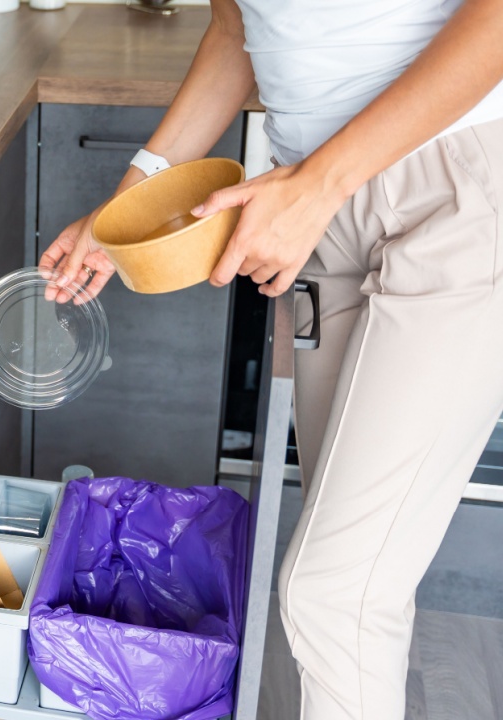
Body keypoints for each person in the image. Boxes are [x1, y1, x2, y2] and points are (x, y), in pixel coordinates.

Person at [39, 1, 503, 717]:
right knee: (357, 575)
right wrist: (123, 208)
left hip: (451, 186)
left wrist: (318, 183)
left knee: (335, 591)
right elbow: (237, 28)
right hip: (319, 215)